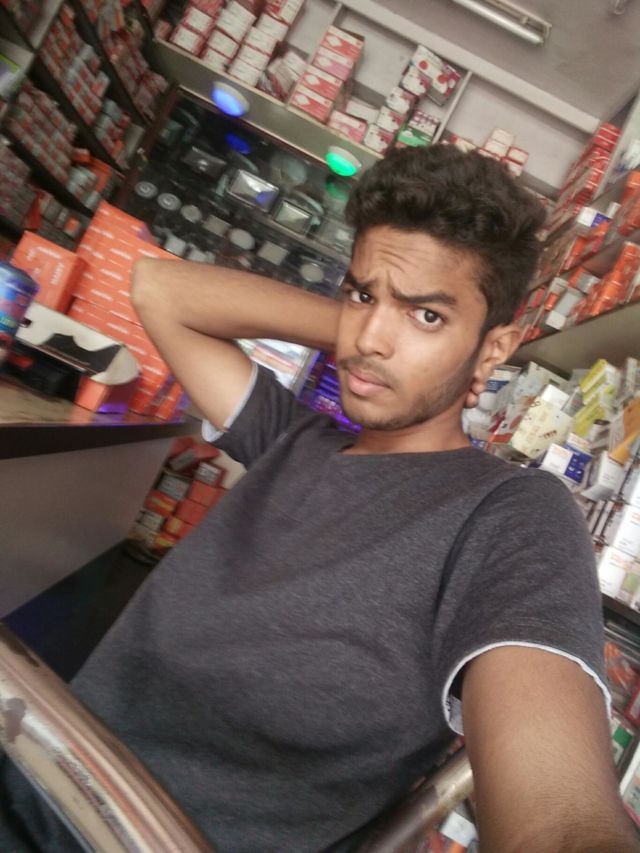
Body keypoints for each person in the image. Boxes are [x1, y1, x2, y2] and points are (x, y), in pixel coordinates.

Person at [1, 145, 638, 852]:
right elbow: (159, 290)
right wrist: (372, 323)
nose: (370, 340)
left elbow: (561, 820)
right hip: (33, 774)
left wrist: (375, 319)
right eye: (361, 294)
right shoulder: (291, 438)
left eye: (428, 316)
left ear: (494, 350)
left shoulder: (508, 513)